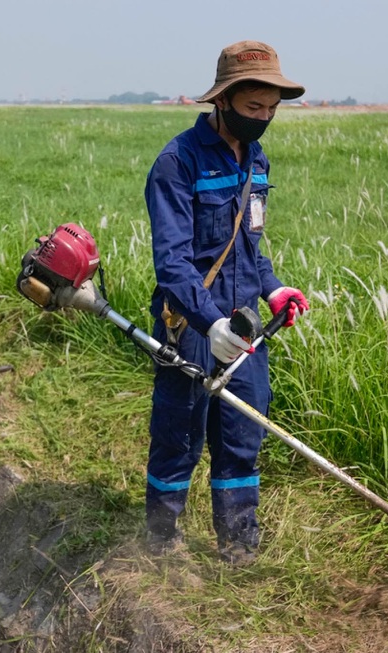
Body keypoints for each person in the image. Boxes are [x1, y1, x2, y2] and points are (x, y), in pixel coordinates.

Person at [144, 40, 311, 565]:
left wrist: (275, 288)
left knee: (242, 433)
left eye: (270, 110)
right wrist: (209, 321)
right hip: (189, 324)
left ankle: (238, 543)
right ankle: (161, 541)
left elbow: (249, 248)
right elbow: (172, 262)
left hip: (245, 325)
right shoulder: (178, 162)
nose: (262, 119)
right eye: (253, 108)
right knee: (180, 435)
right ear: (223, 101)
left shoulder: (256, 159)